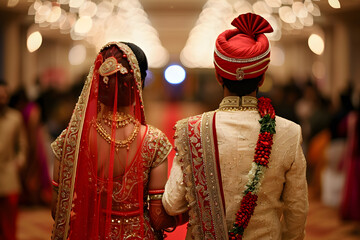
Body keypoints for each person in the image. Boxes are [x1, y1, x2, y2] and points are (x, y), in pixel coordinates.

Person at [162, 13, 309, 240]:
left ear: (219, 76)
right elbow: (296, 211)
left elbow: (172, 204)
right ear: (262, 79)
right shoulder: (289, 132)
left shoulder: (189, 130)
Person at [51, 42, 175, 239]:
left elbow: (58, 210)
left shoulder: (71, 138)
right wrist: (190, 211)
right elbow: (158, 217)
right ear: (139, 84)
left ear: (97, 84)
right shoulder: (154, 141)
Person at [0, 79, 28, 240]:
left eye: (4, 95)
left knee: (9, 224)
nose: (1, 98)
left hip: (10, 176)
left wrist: (20, 161)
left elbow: (22, 146)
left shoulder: (15, 118)